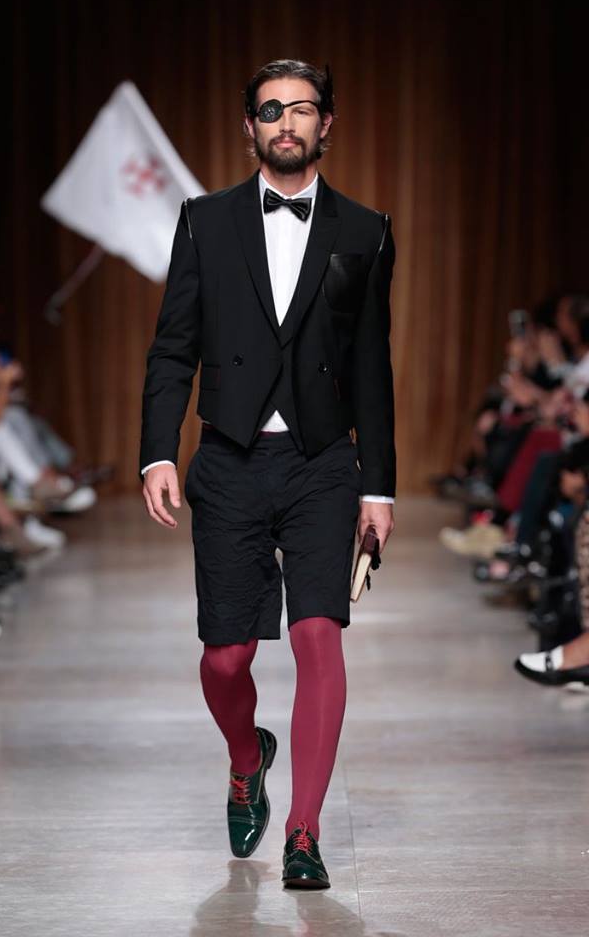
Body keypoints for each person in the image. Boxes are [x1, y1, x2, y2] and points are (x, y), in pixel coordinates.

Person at [140, 59, 396, 889]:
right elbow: (173, 346)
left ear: (328, 124)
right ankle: (247, 759)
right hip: (230, 460)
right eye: (272, 109)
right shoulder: (204, 221)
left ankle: (303, 833)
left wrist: (378, 486)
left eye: (303, 108)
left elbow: (371, 368)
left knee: (320, 636)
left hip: (323, 463)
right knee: (225, 657)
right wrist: (157, 450)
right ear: (248, 126)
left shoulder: (366, 231)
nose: (288, 122)